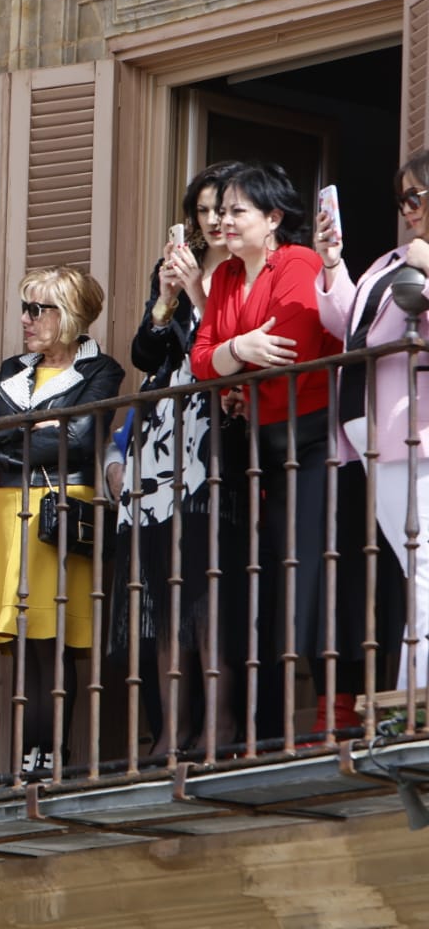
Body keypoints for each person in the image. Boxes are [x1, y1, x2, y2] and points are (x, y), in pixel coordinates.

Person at [190, 163, 345, 735]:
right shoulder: (227, 276)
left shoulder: (299, 262)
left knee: (306, 574)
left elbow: (293, 346)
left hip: (312, 437)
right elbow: (200, 357)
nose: (223, 221)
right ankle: (267, 724)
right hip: (262, 440)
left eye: (237, 211)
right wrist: (240, 350)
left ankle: (329, 708)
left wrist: (234, 360)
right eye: (221, 211)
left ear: (273, 218)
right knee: (267, 582)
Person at [107, 163, 251, 753]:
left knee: (207, 590)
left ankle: (219, 723)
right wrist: (165, 296)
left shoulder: (246, 272)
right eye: (203, 211)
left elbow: (218, 344)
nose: (214, 220)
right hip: (162, 436)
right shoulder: (173, 269)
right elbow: (147, 352)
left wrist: (195, 291)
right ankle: (171, 728)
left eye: (224, 208)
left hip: (215, 433)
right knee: (166, 596)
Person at [0, 266, 124, 776]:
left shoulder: (103, 371)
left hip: (58, 512)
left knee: (54, 645)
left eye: (38, 309)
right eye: (25, 308)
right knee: (26, 646)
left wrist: (13, 433)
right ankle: (29, 757)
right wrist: (37, 428)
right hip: (10, 511)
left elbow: (78, 440)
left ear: (69, 315)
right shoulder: (16, 367)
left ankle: (52, 755)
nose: (26, 319)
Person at [318, 148, 429, 693]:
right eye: (401, 198)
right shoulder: (389, 261)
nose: (406, 208)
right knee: (418, 571)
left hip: (418, 433)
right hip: (373, 432)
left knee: (425, 569)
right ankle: (414, 697)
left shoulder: (419, 260)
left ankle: (416, 702)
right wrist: (334, 262)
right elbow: (349, 326)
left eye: (415, 196)